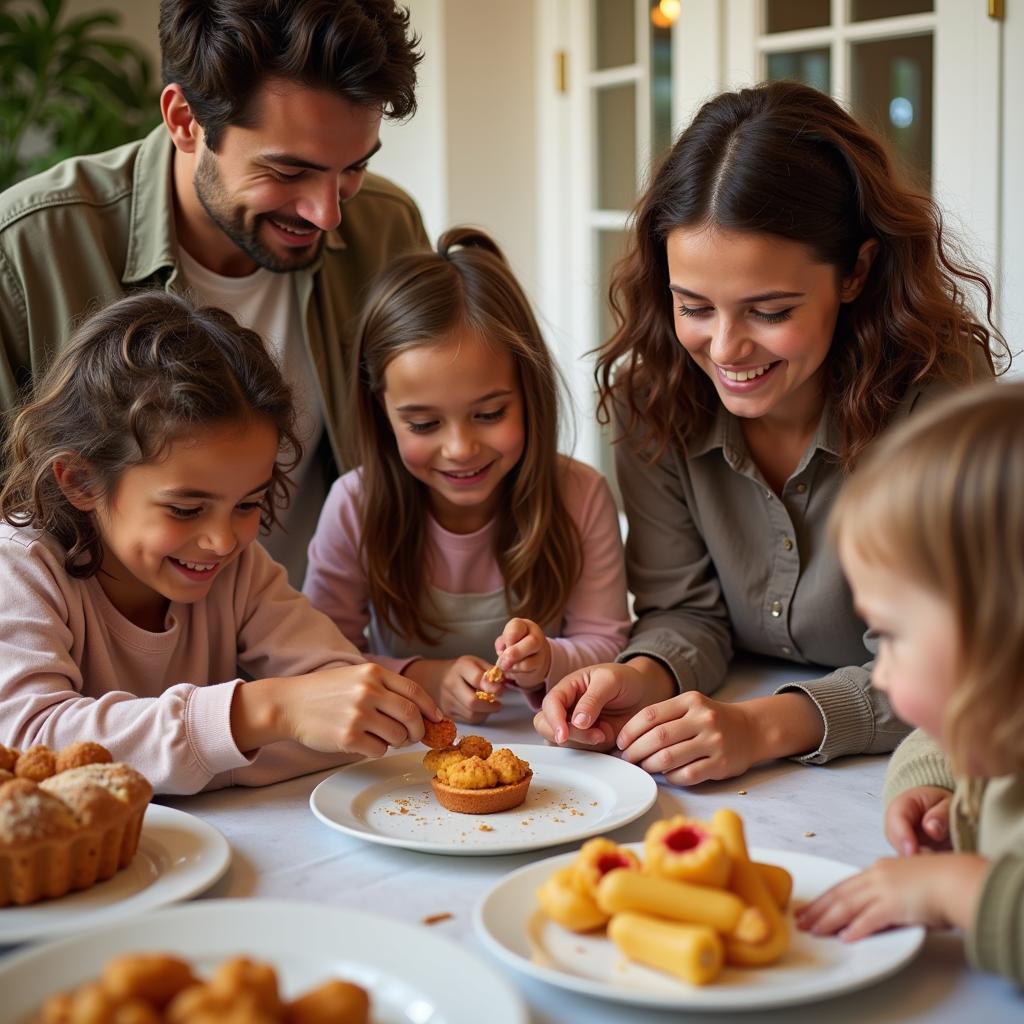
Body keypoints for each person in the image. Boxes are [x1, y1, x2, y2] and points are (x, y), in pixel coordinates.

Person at [534, 80, 1005, 782]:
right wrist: (640, 674)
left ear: (857, 272)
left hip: (911, 771)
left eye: (769, 311)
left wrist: (768, 724)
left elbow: (961, 658)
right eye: (693, 305)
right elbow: (687, 613)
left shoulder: (938, 397)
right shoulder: (652, 397)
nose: (725, 349)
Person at [0, 0, 429, 586]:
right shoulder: (27, 251)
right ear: (184, 120)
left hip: (330, 638)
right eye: (288, 172)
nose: (328, 214)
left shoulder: (387, 226)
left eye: (352, 168)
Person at [0, 292, 441, 795]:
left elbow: (344, 705)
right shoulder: (20, 568)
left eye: (249, 504)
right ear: (81, 481)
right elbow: (29, 749)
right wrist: (261, 714)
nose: (222, 540)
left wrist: (220, 746)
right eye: (185, 509)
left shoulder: (238, 570)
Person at [303, 228, 630, 723]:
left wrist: (550, 660)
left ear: (529, 391)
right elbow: (321, 661)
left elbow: (606, 641)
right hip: (401, 756)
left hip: (557, 745)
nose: (460, 449)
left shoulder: (580, 496)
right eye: (424, 424)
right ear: (381, 414)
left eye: (489, 414)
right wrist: (425, 677)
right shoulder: (354, 505)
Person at [795, 382, 1024, 987]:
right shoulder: (994, 724)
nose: (883, 669)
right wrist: (929, 785)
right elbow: (936, 739)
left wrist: (959, 891)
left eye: (892, 635)